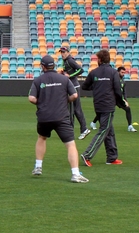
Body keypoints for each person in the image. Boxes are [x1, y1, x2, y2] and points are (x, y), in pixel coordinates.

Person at [29, 55, 88, 183]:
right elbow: (74, 95)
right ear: (53, 66)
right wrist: (64, 101)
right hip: (61, 115)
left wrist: (42, 103)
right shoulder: (64, 79)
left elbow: (31, 98)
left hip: (44, 116)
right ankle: (75, 174)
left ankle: (38, 167)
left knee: (42, 138)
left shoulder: (38, 80)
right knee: (70, 144)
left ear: (42, 66)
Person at [80, 49, 126, 167]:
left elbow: (84, 86)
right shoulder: (113, 73)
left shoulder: (94, 72)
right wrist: (122, 103)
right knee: (104, 130)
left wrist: (96, 87)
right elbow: (117, 90)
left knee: (109, 131)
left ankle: (112, 157)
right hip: (108, 105)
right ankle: (87, 154)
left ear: (100, 60)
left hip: (98, 105)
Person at [58, 46, 89, 139]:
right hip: (70, 87)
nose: (62, 54)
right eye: (61, 52)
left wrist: (69, 75)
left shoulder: (70, 60)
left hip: (74, 87)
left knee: (76, 109)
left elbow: (80, 70)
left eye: (63, 52)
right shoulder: (65, 61)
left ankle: (84, 129)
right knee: (71, 110)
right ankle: (70, 130)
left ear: (68, 52)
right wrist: (63, 73)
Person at [117, 66, 139, 132]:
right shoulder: (114, 80)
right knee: (106, 111)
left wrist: (125, 100)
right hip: (112, 98)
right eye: (122, 72)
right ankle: (94, 122)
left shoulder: (123, 81)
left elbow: (124, 92)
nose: (123, 74)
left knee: (128, 109)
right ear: (118, 72)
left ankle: (130, 126)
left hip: (119, 99)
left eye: (124, 72)